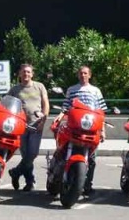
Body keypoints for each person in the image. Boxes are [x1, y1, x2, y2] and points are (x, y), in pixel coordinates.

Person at [53, 66, 107, 196]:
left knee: (92, 158)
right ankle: (56, 177)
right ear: (78, 75)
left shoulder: (95, 91)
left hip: (91, 127)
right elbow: (65, 107)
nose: (83, 75)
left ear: (90, 75)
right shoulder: (71, 90)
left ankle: (88, 185)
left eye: (85, 73)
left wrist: (102, 130)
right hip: (74, 126)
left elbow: (101, 112)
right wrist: (59, 117)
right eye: (81, 73)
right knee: (62, 151)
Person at [7, 64, 50, 192]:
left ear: (32, 74)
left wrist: (44, 119)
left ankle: (15, 172)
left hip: (36, 124)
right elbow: (6, 103)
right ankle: (29, 182)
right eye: (24, 72)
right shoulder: (15, 89)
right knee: (26, 155)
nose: (26, 74)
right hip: (20, 125)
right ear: (20, 74)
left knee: (32, 153)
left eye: (28, 72)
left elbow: (45, 103)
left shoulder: (39, 86)